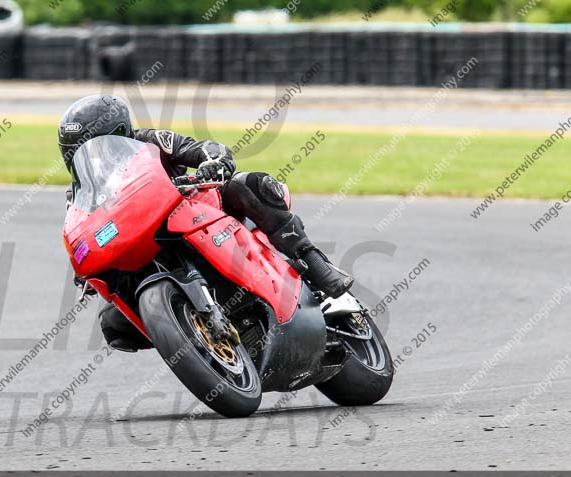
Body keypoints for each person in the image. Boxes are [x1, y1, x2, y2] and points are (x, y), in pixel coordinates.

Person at [59, 94, 353, 351]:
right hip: (144, 243)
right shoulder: (80, 193)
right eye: (77, 150)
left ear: (120, 133)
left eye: (95, 145)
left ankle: (314, 262)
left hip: (196, 209)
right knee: (112, 324)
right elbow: (80, 230)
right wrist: (84, 264)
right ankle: (188, 336)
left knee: (248, 185)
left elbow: (204, 148)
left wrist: (213, 162)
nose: (91, 157)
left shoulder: (150, 140)